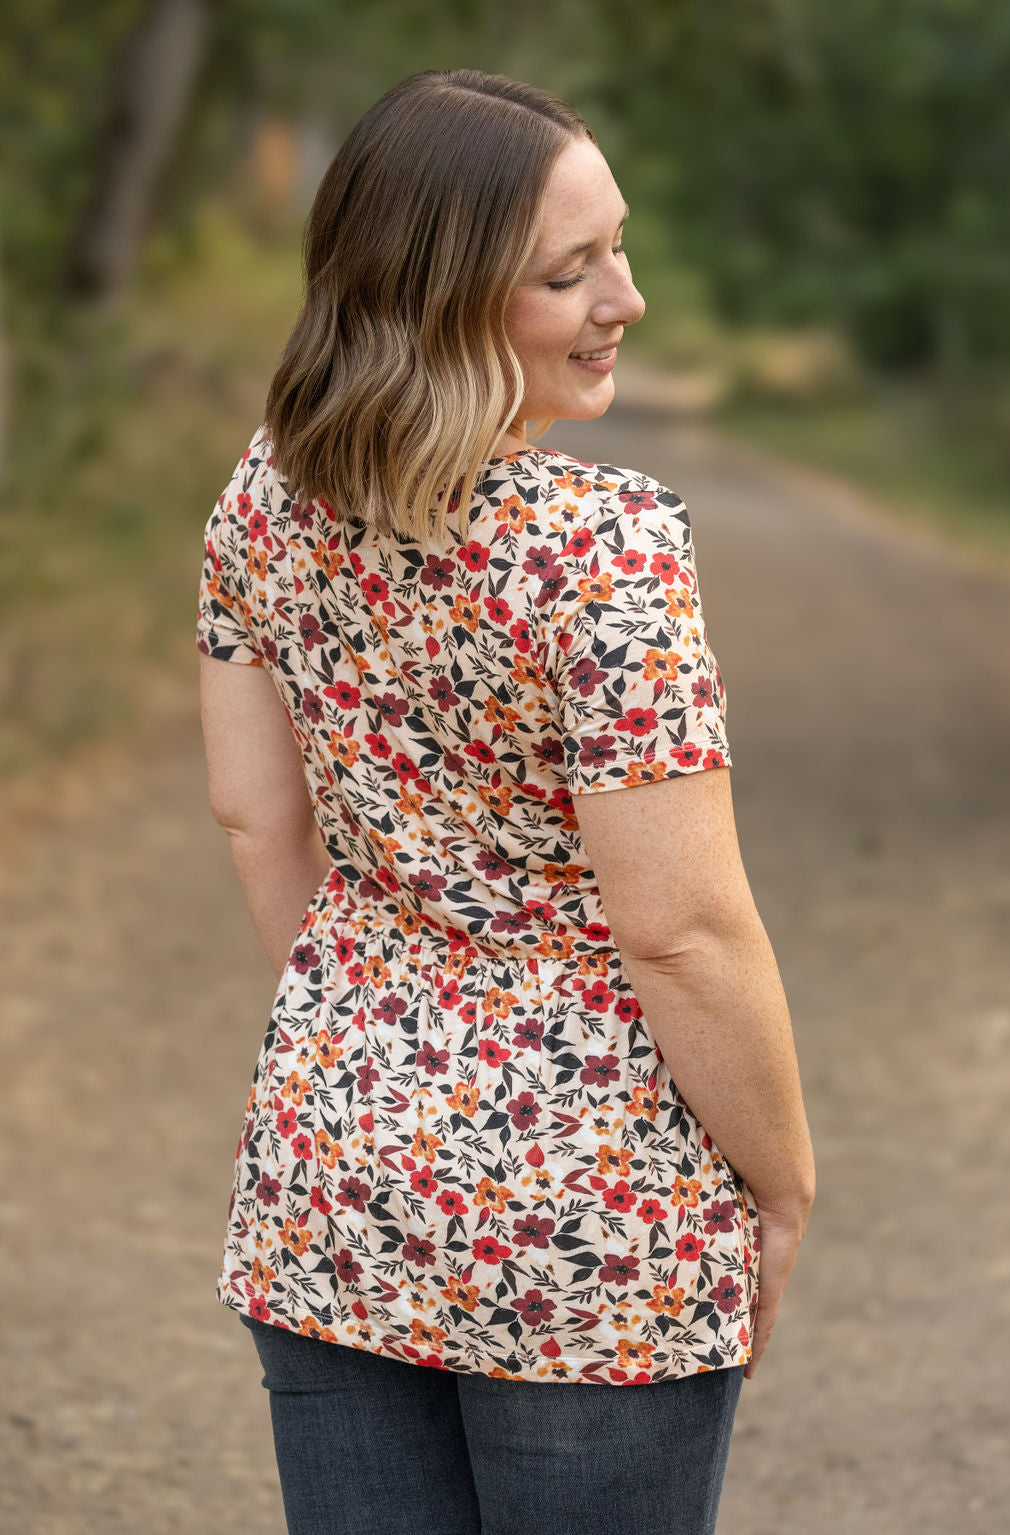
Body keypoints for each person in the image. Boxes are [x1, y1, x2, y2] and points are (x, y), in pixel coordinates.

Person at [196, 67, 815, 1535]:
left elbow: (255, 821)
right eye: (571, 269)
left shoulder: (261, 500)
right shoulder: (608, 550)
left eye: (619, 247)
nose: (630, 298)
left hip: (335, 1168)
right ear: (439, 296)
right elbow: (681, 933)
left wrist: (385, 1049)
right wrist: (781, 1186)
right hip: (586, 1210)